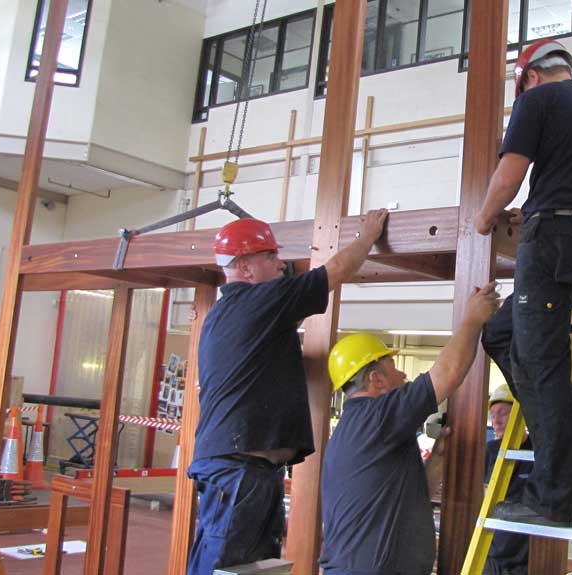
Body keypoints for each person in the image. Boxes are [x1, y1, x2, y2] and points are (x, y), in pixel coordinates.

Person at [187, 210, 388, 575]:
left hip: (247, 468)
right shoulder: (259, 301)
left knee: (250, 568)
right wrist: (368, 236)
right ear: (245, 267)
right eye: (271, 256)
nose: (281, 264)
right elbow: (334, 272)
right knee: (226, 567)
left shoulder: (233, 312)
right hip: (239, 469)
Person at [474, 38, 572, 527]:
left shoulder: (536, 101)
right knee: (500, 334)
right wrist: (539, 209)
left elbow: (508, 176)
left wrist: (484, 219)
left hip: (552, 244)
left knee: (540, 364)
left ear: (530, 77)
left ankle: (551, 500)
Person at [320, 282, 502, 575]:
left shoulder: (365, 427)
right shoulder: (375, 416)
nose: (403, 373)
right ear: (376, 379)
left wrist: (438, 458)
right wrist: (472, 319)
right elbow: (448, 374)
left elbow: (411, 496)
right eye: (393, 366)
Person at [483, 386, 531, 575]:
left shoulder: (537, 452)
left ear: (520, 415)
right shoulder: (489, 451)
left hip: (525, 554)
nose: (496, 421)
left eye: (503, 413)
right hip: (493, 550)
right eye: (493, 415)